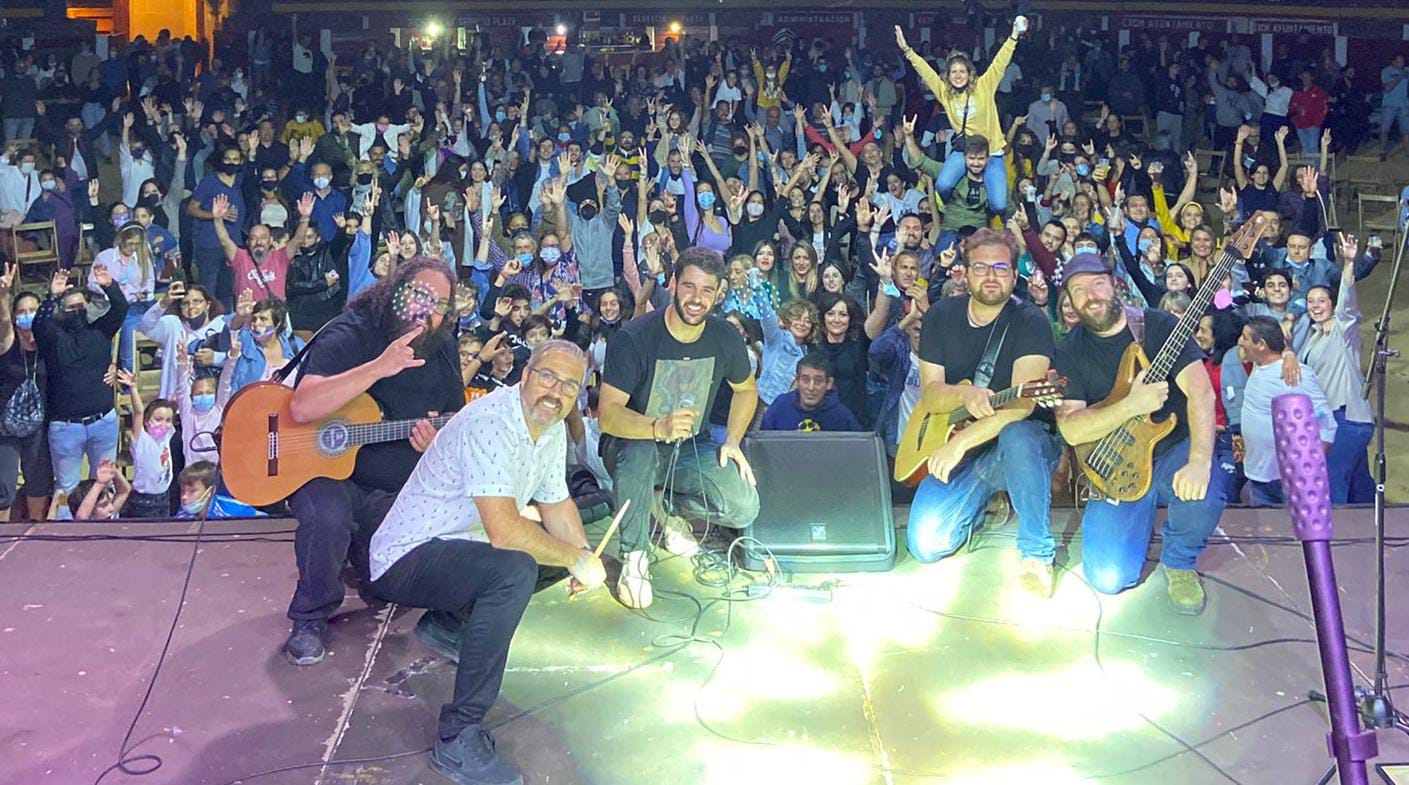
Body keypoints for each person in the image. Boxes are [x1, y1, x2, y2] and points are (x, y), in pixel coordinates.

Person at [368, 340, 605, 785]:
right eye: (548, 376)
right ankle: (457, 738)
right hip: (407, 555)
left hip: (460, 542)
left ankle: (450, 626)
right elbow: (506, 532)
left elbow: (556, 502)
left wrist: (582, 556)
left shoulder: (549, 425)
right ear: (525, 374)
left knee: (554, 552)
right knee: (515, 569)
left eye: (570, 385)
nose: (556, 391)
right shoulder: (492, 422)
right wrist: (574, 558)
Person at [281, 256, 466, 666]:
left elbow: (453, 420)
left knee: (386, 584)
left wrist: (435, 442)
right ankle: (310, 616)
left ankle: (365, 563)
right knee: (327, 519)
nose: (427, 310)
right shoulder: (352, 332)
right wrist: (379, 368)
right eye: (420, 295)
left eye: (440, 304)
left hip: (394, 484)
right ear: (396, 290)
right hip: (321, 470)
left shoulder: (443, 347)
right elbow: (304, 405)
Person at [1053, 253, 1225, 614]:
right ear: (1068, 300)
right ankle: (1136, 523)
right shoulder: (1070, 350)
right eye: (1078, 290)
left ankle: (1179, 561)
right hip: (1117, 459)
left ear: (1114, 284)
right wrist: (1131, 405)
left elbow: (1200, 392)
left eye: (1097, 283)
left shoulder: (1158, 325)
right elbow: (1070, 428)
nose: (1090, 296)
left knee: (1204, 487)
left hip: (1172, 449)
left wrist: (1198, 461)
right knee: (1108, 577)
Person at [598, 247, 760, 609]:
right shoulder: (634, 338)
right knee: (639, 451)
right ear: (672, 284)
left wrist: (733, 441)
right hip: (632, 444)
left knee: (743, 506)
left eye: (707, 290)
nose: (696, 299)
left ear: (719, 293)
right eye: (689, 287)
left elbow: (747, 391)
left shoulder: (725, 336)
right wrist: (657, 425)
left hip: (690, 445)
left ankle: (663, 507)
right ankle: (634, 558)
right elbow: (608, 415)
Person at [906, 229, 1061, 596]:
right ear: (965, 271)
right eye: (981, 267)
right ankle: (987, 497)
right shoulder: (941, 317)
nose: (991, 276)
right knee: (926, 545)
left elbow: (1022, 405)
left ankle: (1037, 553)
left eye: (1001, 268)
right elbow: (931, 395)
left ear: (1014, 273)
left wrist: (958, 446)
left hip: (1022, 443)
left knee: (1017, 435)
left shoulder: (1031, 321)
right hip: (973, 450)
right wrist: (964, 393)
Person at [896, 15, 1029, 214]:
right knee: (942, 186)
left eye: (962, 71)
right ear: (948, 76)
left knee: (999, 205)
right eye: (953, 72)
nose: (958, 75)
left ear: (970, 74)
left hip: (991, 152)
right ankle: (964, 199)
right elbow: (925, 71)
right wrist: (907, 50)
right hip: (965, 152)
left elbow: (1000, 62)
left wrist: (1013, 37)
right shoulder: (945, 93)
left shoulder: (984, 86)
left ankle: (982, 200)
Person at [34, 267, 127, 498]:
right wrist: (52, 295)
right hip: (66, 428)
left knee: (106, 487)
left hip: (103, 423)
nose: (77, 310)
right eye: (71, 307)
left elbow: (121, 309)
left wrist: (109, 285)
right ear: (61, 311)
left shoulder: (101, 331)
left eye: (81, 306)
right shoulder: (54, 338)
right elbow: (39, 326)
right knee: (66, 491)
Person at [1296, 234, 1375, 504]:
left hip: (1347, 417)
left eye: (1322, 301)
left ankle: (1338, 538)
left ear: (1331, 305)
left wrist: (1350, 263)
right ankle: (1375, 529)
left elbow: (1347, 306)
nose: (1315, 306)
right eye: (1311, 301)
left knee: (1331, 479)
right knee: (1359, 483)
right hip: (1330, 418)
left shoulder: (1342, 330)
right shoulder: (1312, 334)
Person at [1238, 315, 1337, 506]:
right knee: (1267, 534)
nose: (1240, 342)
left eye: (1245, 337)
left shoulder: (1295, 375)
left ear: (1261, 345)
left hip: (1288, 481)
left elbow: (1327, 425)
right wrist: (1288, 352)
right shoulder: (1259, 364)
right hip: (1259, 477)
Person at [0, 268, 52, 521]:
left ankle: (35, 536)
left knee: (39, 483)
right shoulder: (7, 343)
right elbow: (3, 324)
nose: (26, 316)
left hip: (38, 427)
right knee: (4, 488)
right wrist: (4, 296)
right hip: (5, 428)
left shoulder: (49, 344)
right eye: (21, 311)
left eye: (31, 310)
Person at [760, 351, 863, 432]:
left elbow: (858, 450)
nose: (811, 387)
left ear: (829, 383)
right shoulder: (780, 406)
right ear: (797, 380)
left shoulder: (842, 416)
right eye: (805, 380)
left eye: (818, 381)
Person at [176, 461, 263, 519]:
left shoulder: (235, 509)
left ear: (210, 491)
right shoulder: (181, 514)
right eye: (183, 491)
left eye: (192, 491)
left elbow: (265, 522)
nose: (184, 497)